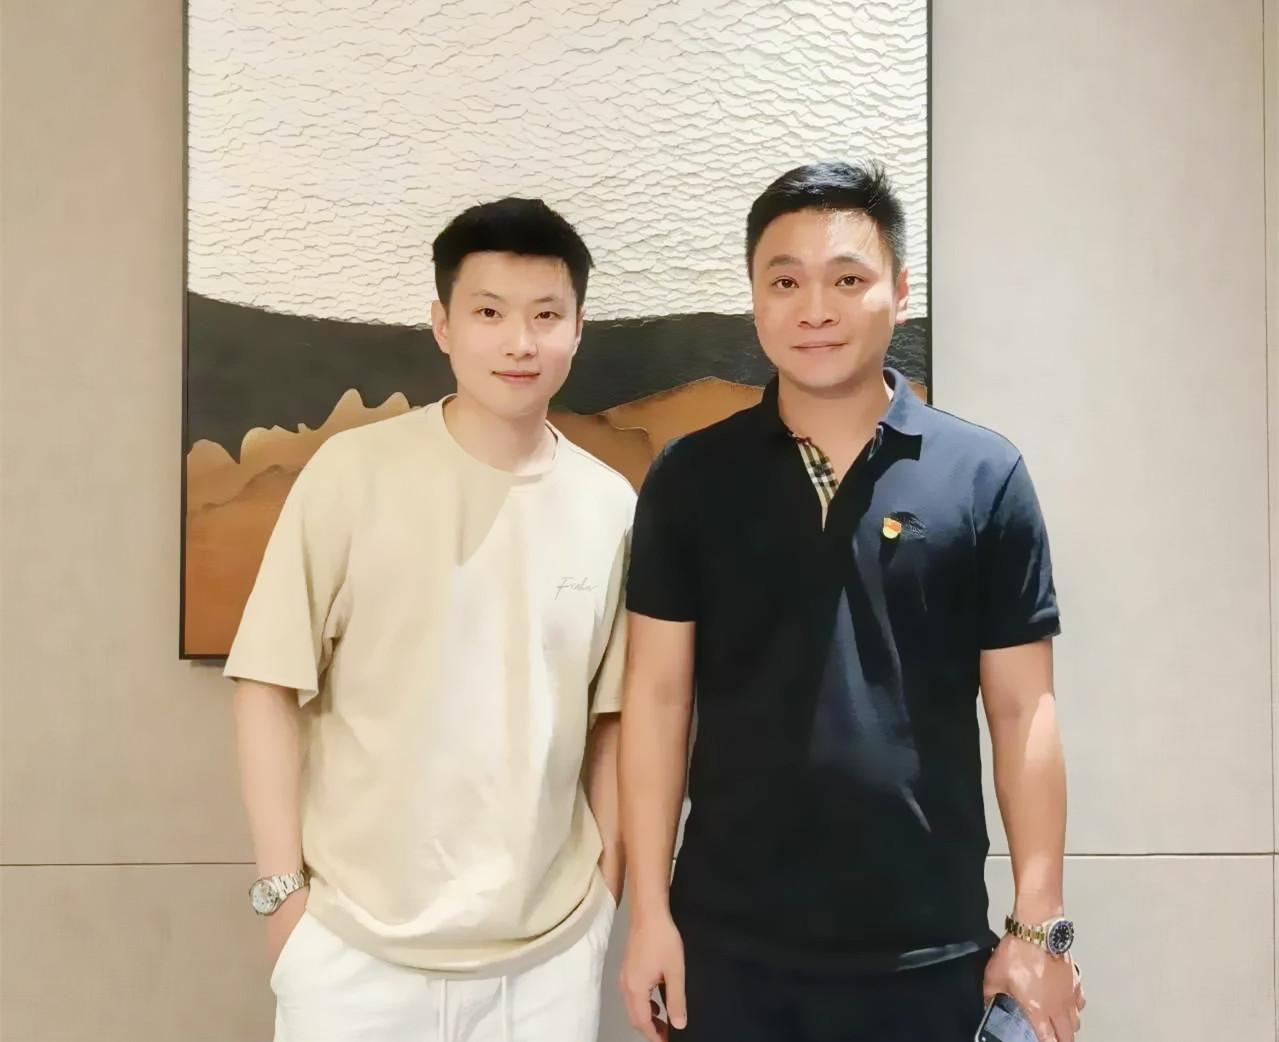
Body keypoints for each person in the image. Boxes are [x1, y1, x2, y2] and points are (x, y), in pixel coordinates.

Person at [618, 161, 1086, 1042]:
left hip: (928, 950)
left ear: (899, 293)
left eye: (846, 280)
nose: (814, 309)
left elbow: (1023, 709)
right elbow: (656, 697)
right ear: (753, 298)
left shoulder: (982, 475)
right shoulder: (690, 477)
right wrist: (649, 915)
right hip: (726, 953)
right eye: (784, 282)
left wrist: (1038, 927)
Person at [227, 197, 634, 1042]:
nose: (519, 342)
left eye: (545, 315)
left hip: (547, 961)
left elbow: (616, 719)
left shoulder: (611, 507)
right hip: (352, 953)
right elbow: (266, 682)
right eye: (488, 313)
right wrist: (282, 900)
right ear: (442, 325)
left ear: (577, 329)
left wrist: (605, 898)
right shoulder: (352, 473)